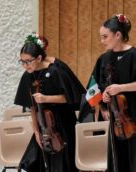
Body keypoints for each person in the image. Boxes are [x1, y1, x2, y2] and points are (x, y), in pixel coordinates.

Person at [14, 33, 85, 172]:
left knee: (63, 161)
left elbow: (71, 97)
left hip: (63, 122)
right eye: (22, 61)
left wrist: (46, 98)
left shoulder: (56, 70)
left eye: (28, 61)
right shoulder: (28, 75)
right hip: (43, 125)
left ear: (39, 58)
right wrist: (36, 131)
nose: (25, 65)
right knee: (36, 161)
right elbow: (32, 107)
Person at [90, 14, 136, 172]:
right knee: (117, 158)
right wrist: (103, 101)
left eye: (105, 37)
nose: (102, 41)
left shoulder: (134, 55)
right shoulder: (104, 59)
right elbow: (96, 86)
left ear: (118, 35)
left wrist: (121, 88)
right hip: (116, 118)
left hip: (134, 114)